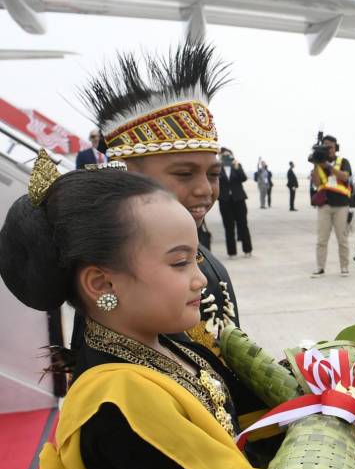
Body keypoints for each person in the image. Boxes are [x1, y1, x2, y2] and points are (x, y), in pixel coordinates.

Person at [0, 162, 355, 469]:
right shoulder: (119, 399)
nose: (199, 278)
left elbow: (245, 410)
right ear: (102, 282)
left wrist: (329, 397)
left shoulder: (165, 343)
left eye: (196, 257)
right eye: (179, 262)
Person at [77, 43, 266, 435]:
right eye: (184, 174)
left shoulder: (205, 260)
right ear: (124, 174)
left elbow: (224, 376)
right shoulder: (122, 281)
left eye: (212, 174)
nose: (205, 191)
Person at [312, 135, 353, 277]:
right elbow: (317, 184)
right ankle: (320, 267)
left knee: (342, 238)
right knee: (321, 239)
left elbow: (345, 177)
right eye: (325, 146)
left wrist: (328, 166)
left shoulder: (343, 161)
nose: (328, 149)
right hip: (324, 205)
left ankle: (344, 267)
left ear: (336, 147)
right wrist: (316, 164)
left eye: (330, 146)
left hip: (341, 205)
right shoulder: (319, 163)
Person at [218, 147, 253, 259]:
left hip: (239, 200)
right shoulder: (218, 168)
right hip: (225, 201)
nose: (227, 157)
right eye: (224, 156)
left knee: (243, 225)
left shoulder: (237, 166)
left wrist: (237, 168)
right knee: (228, 227)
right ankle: (231, 252)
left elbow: (243, 178)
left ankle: (247, 249)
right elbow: (213, 179)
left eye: (229, 155)